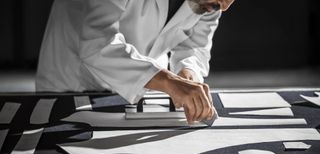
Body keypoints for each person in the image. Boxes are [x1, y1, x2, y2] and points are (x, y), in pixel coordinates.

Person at [36, 0, 234, 123]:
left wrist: (187, 73)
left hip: (140, 87)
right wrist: (168, 81)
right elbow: (98, 43)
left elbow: (192, 46)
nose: (224, 7)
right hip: (72, 77)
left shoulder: (214, 2)